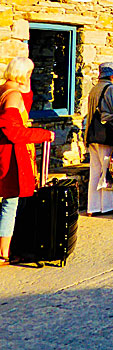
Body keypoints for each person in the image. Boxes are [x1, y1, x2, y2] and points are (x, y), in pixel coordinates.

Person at [0, 58, 54, 266]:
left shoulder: (5, 89)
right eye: (29, 73)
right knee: (11, 201)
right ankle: (4, 251)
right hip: (10, 152)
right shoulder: (12, 96)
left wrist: (26, 85)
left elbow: (27, 103)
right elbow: (12, 130)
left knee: (11, 200)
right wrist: (42, 134)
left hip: (6, 150)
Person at [84, 62, 113, 216]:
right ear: (111, 74)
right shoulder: (110, 89)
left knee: (95, 172)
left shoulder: (94, 89)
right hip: (106, 135)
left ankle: (93, 207)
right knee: (109, 170)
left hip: (93, 135)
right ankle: (110, 205)